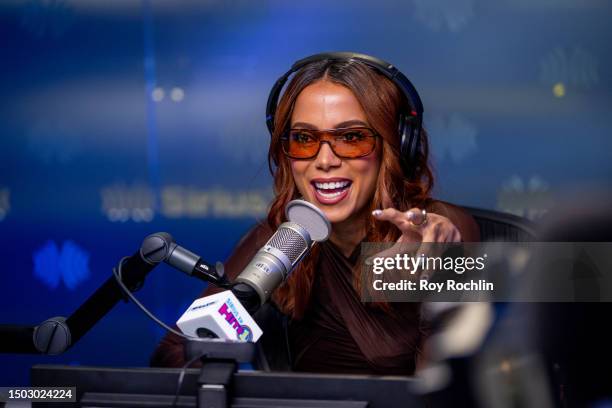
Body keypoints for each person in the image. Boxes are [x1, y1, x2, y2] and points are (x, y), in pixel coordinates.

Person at [150, 52, 480, 375]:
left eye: (351, 137)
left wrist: (438, 281)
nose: (324, 160)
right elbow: (173, 353)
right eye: (305, 139)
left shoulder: (445, 231)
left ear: (395, 146)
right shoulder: (281, 239)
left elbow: (446, 391)